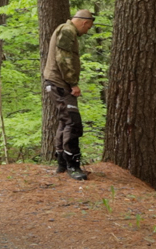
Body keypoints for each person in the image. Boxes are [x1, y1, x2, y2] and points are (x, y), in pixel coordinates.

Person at [43, 9, 94, 181]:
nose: (86, 31)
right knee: (73, 123)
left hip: (56, 83)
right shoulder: (67, 30)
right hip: (60, 84)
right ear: (85, 22)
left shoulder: (65, 29)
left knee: (65, 121)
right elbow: (63, 58)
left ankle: (62, 163)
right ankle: (73, 165)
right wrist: (73, 83)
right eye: (88, 28)